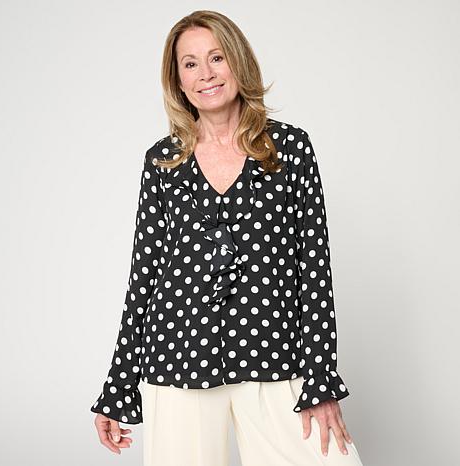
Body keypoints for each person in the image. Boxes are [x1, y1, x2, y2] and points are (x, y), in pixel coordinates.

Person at [90, 9, 365, 466]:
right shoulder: (163, 162)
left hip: (272, 350)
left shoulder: (289, 150)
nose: (206, 73)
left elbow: (314, 270)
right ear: (178, 80)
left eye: (216, 57)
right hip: (178, 355)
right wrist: (119, 386)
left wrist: (320, 379)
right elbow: (145, 277)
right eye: (190, 63)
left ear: (238, 62)